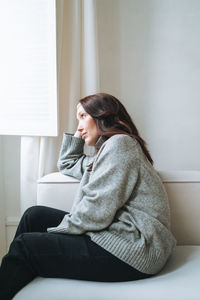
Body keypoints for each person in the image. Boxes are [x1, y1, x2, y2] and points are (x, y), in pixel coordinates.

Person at [0, 93, 176, 299]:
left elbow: (97, 210)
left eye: (83, 116)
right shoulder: (104, 153)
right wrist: (80, 133)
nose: (79, 126)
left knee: (25, 246)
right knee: (34, 215)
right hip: (117, 233)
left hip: (135, 248)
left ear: (103, 116)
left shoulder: (121, 145)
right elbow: (68, 163)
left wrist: (58, 232)